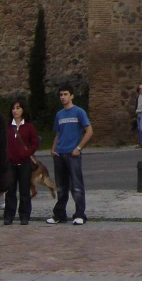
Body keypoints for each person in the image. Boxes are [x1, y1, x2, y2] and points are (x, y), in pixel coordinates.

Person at [46, 84, 93, 225]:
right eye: (61, 94)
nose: (63, 97)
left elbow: (89, 131)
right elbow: (58, 133)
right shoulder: (59, 114)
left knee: (76, 186)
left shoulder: (79, 112)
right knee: (61, 187)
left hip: (73, 154)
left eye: (65, 94)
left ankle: (80, 214)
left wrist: (78, 148)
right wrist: (53, 149)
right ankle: (59, 214)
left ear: (71, 96)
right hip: (59, 154)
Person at [4, 101, 40, 226]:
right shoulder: (7, 127)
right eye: (13, 108)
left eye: (18, 108)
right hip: (10, 164)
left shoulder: (29, 127)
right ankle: (9, 216)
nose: (15, 110)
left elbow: (35, 143)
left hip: (24, 163)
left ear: (23, 110)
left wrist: (27, 153)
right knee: (10, 191)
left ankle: (24, 216)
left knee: (24, 191)